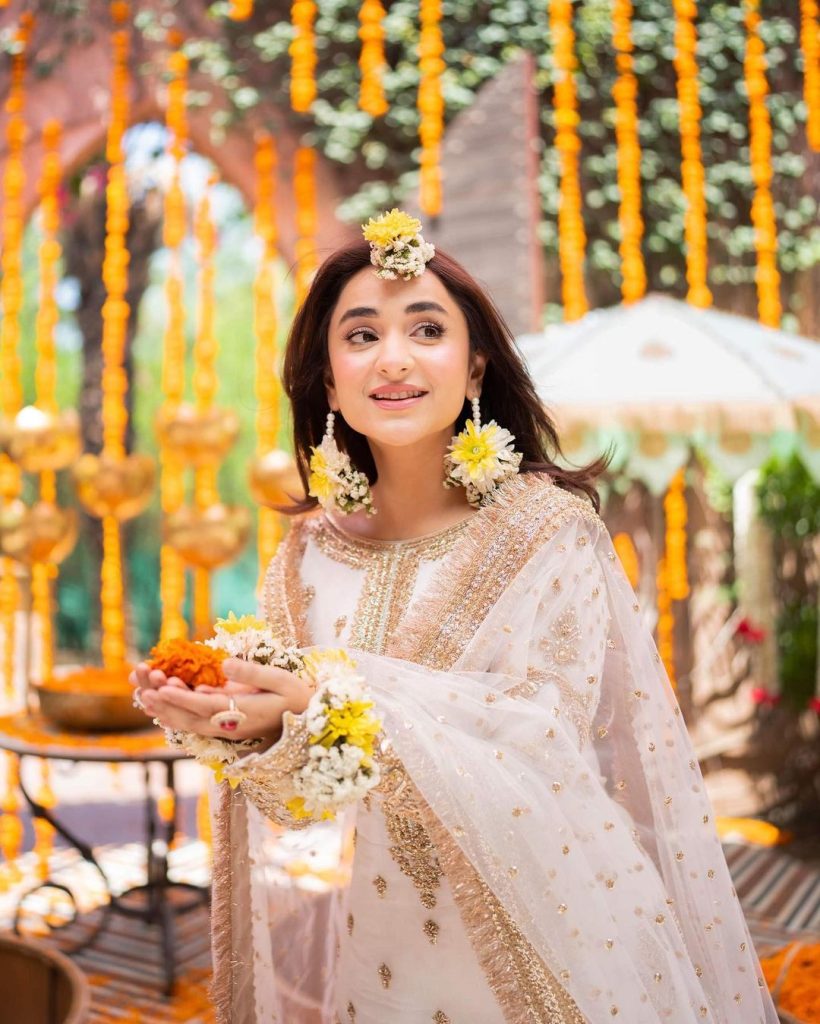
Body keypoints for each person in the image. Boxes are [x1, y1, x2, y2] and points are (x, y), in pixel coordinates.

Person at [131, 210, 778, 1024]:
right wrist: (240, 727)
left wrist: (331, 700)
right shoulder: (307, 560)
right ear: (329, 382)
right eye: (360, 336)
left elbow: (546, 736)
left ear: (474, 369)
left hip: (563, 923)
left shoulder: (547, 530)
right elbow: (308, 799)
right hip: (388, 947)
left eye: (426, 329)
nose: (393, 358)